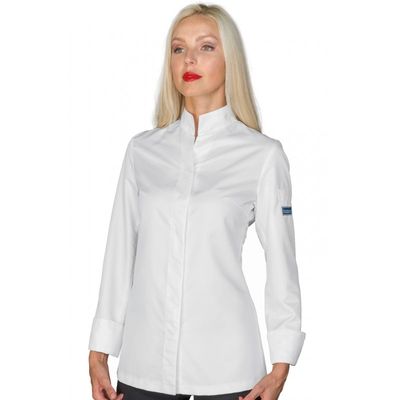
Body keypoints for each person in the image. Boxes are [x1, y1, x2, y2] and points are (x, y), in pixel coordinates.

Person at [88, 3, 306, 400]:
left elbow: (281, 263)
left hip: (228, 368)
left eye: (206, 47)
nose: (189, 59)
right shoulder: (142, 151)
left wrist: (281, 363)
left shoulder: (262, 155)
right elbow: (120, 252)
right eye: (178, 49)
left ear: (229, 59)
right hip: (144, 364)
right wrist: (99, 351)